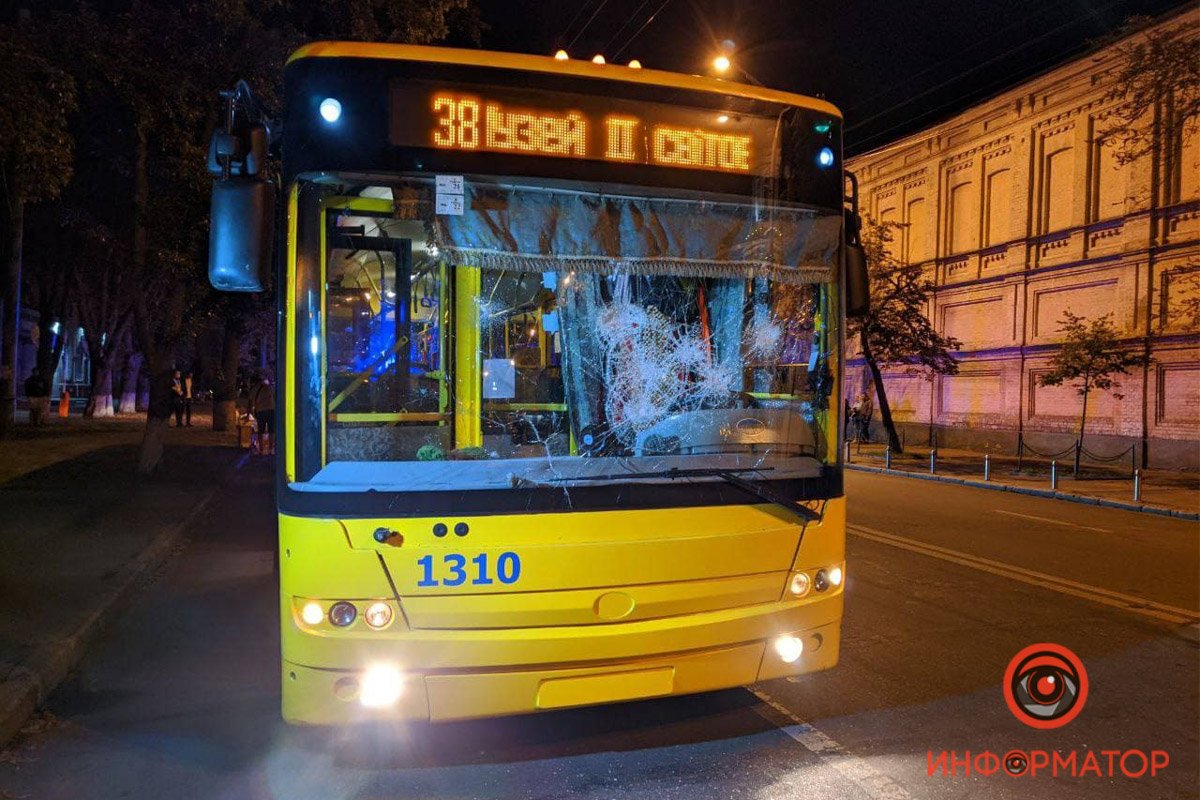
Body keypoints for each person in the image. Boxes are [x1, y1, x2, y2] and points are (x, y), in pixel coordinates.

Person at [249, 375, 275, 455]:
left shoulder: (255, 390)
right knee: (271, 430)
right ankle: (271, 449)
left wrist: (248, 414)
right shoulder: (270, 388)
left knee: (260, 431)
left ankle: (261, 449)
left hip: (260, 411)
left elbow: (250, 402)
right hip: (271, 411)